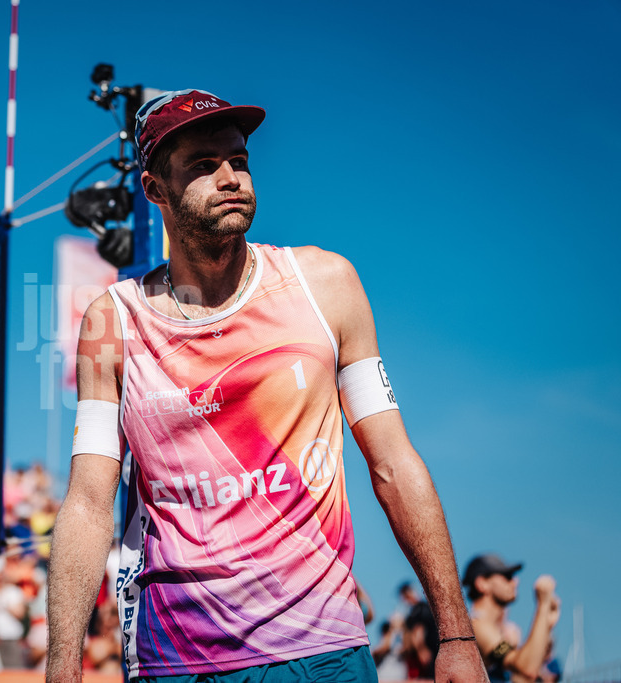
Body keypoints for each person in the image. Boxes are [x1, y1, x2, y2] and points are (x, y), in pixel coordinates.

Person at [46, 89, 487, 682]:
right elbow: (89, 501)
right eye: (204, 165)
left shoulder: (326, 284)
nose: (230, 177)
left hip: (323, 650)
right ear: (155, 189)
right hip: (178, 656)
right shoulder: (113, 320)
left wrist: (456, 632)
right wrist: (61, 664)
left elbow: (392, 463)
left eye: (239, 160)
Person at [463, 553, 561, 682]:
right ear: (482, 584)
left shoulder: (495, 631)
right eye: (507, 576)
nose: (515, 581)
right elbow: (527, 668)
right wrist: (543, 606)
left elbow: (523, 678)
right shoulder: (475, 625)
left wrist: (546, 626)